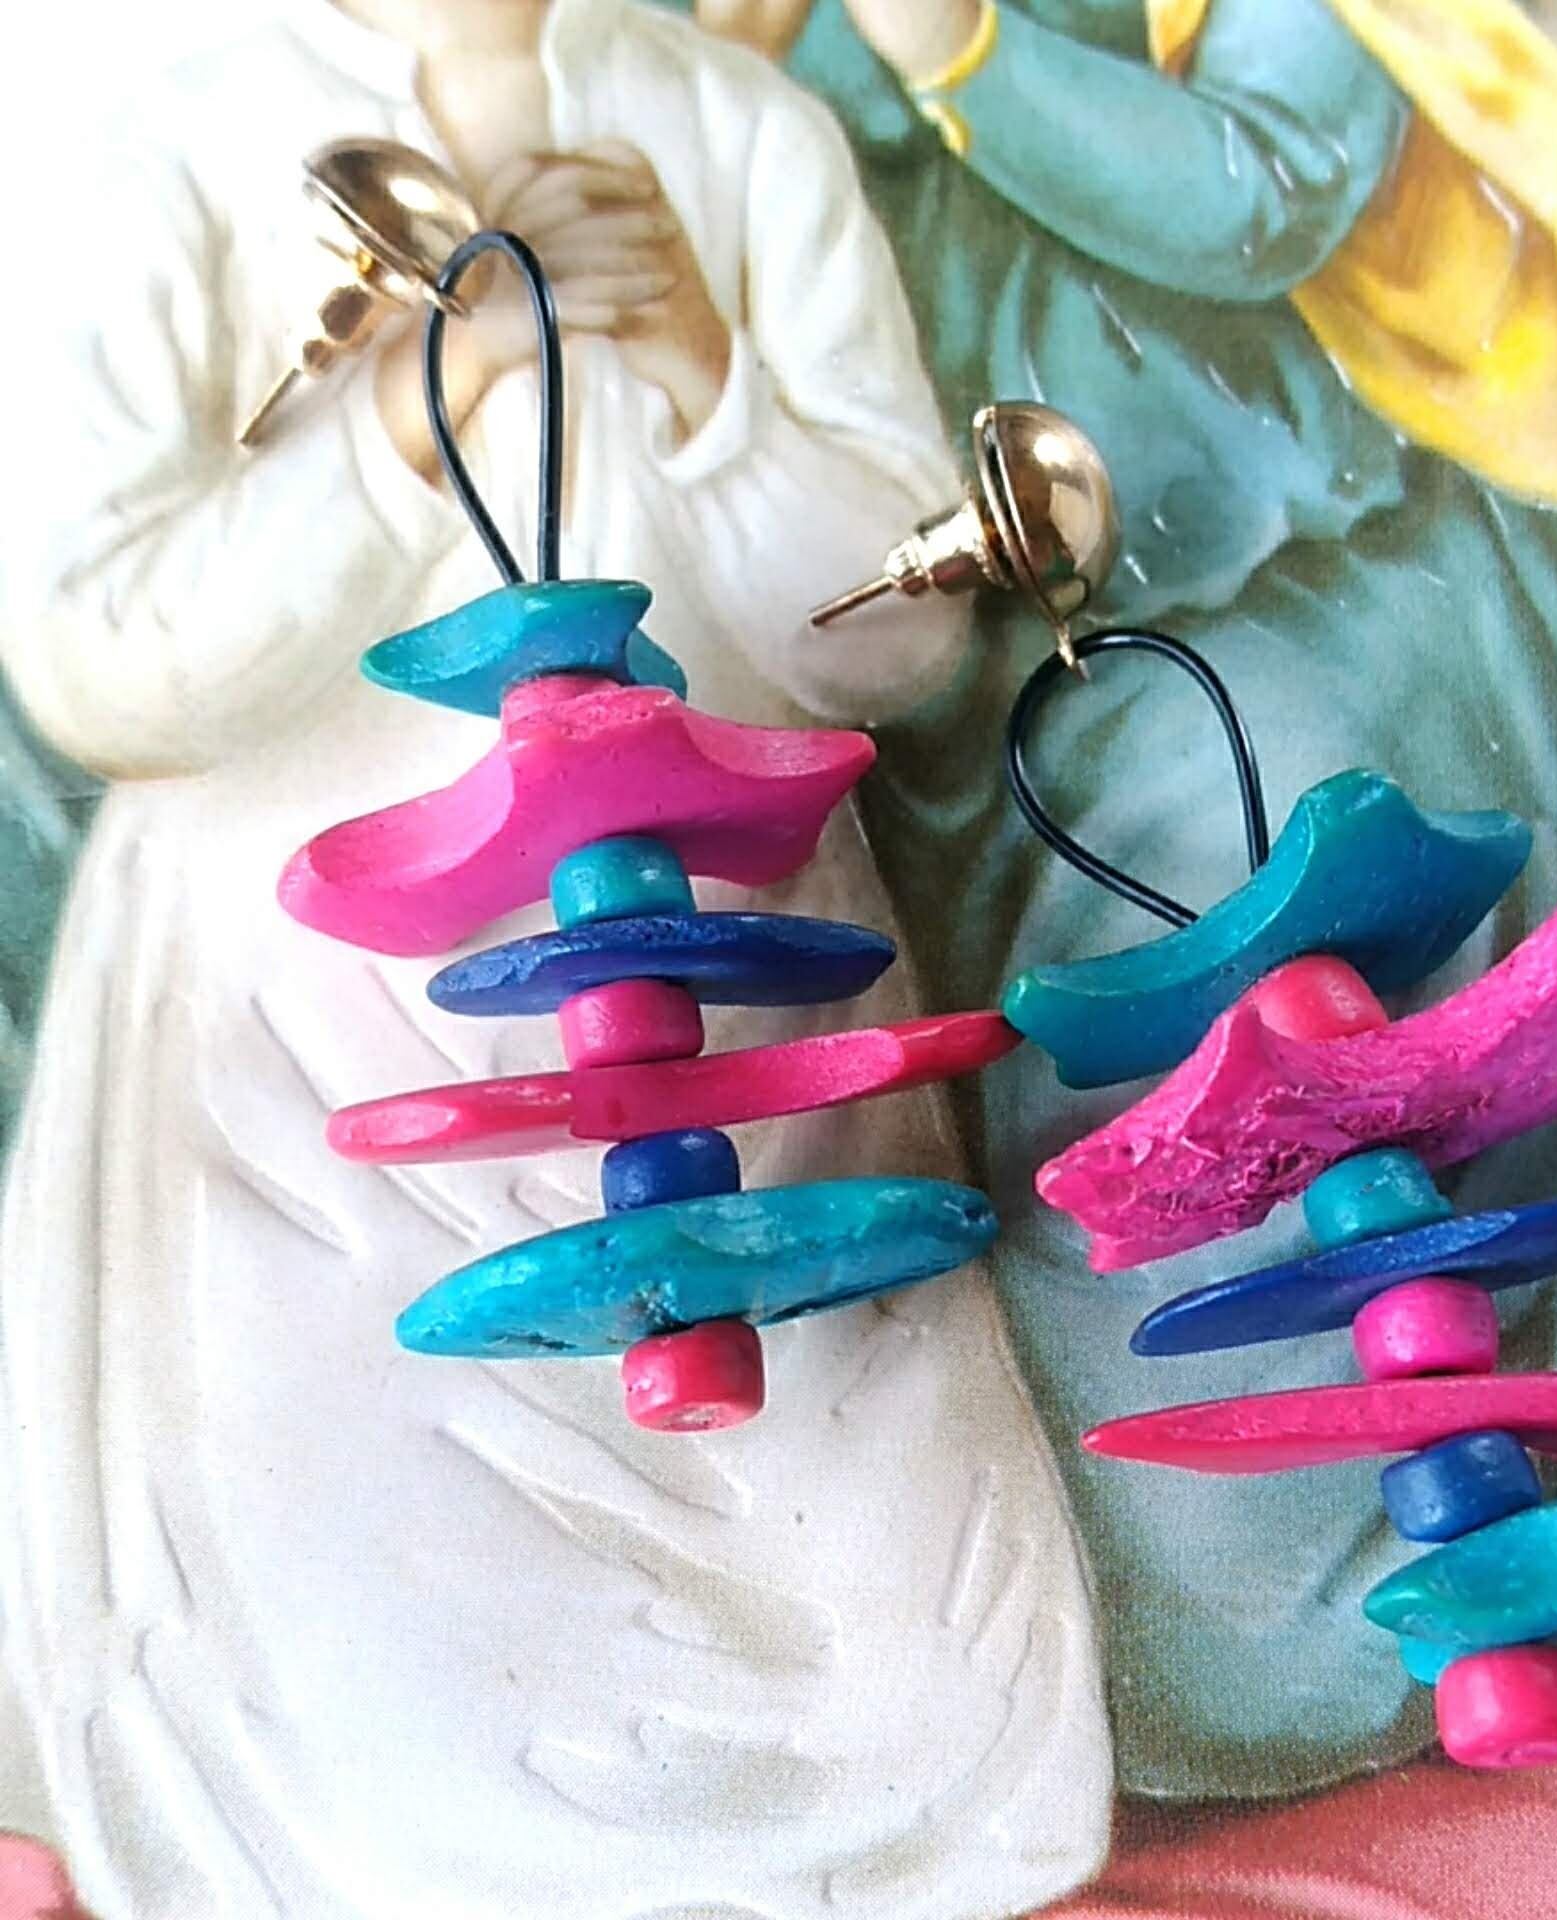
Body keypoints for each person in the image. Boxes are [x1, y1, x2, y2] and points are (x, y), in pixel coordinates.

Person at [688, 0, 1557, 1810]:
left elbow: (1267, 186)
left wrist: (962, 54)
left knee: (1261, 1622)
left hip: (1280, 665)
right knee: (1011, 1595)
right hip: (971, 760)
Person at [0, 2, 1110, 1913]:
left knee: (923, 1716)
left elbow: (894, 647)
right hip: (311, 1055)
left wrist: (696, 364)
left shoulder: (737, 130)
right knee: (389, 1789)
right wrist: (411, 413)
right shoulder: (176, 143)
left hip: (738, 993)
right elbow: (107, 669)